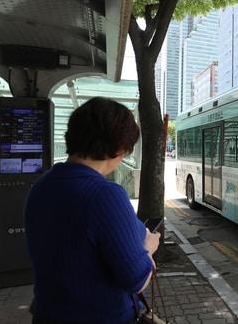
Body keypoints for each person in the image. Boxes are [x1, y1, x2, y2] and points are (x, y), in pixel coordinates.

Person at [25, 97, 160, 323]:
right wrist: (148, 249)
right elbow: (136, 279)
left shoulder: (41, 186)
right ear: (118, 148)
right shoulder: (106, 195)